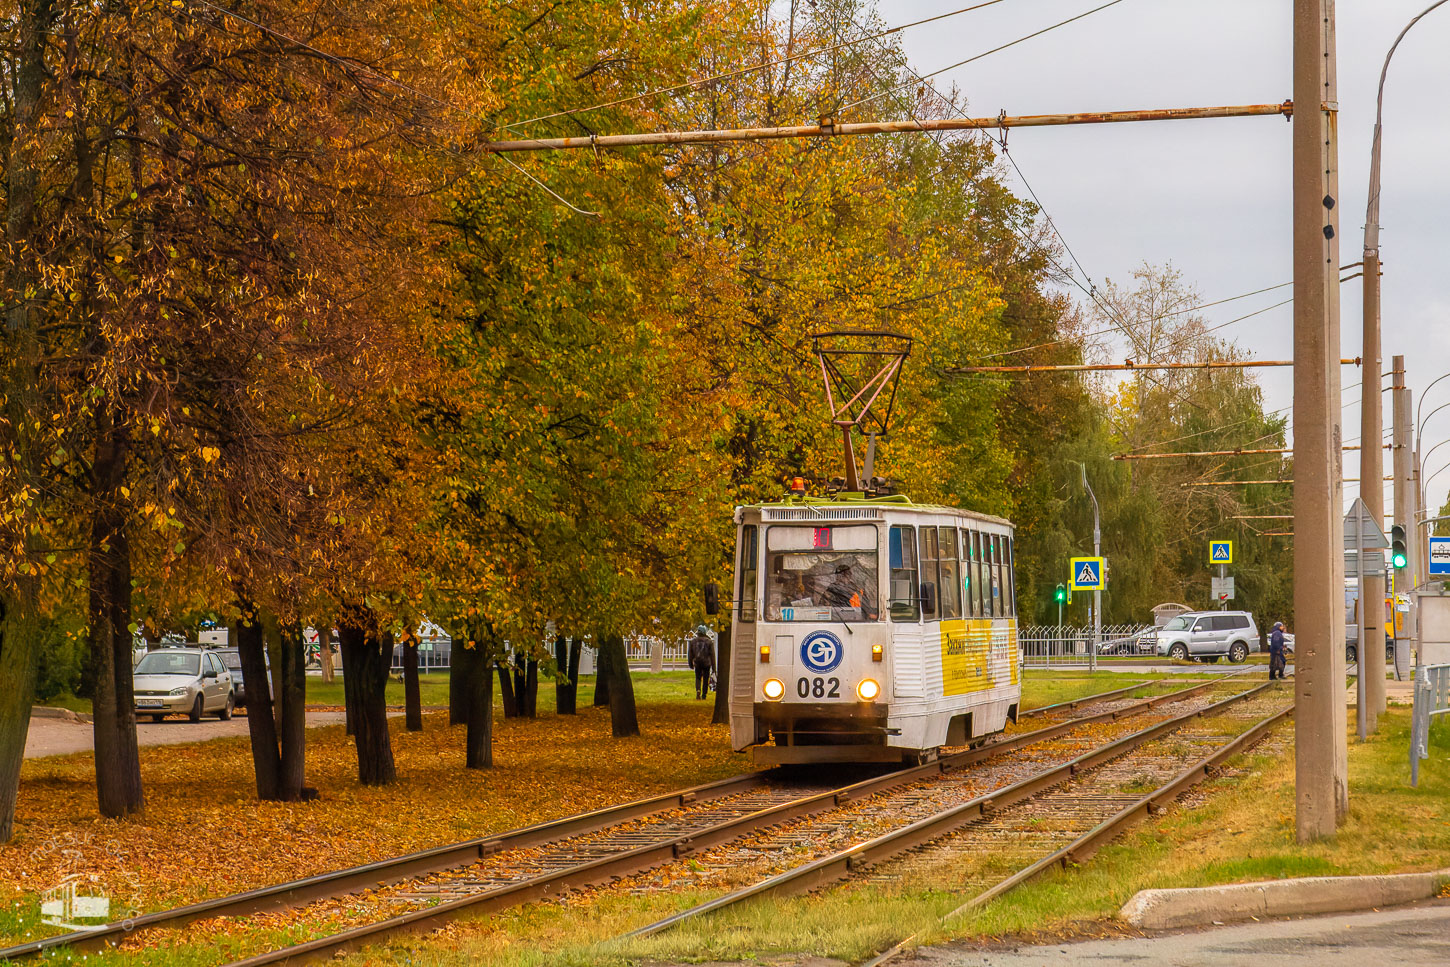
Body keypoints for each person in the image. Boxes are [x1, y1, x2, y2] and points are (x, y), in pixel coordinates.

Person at [688, 625, 715, 700]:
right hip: (706, 663)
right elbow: (712, 655)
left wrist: (690, 663)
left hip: (697, 662)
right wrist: (714, 668)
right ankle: (704, 694)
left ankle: (698, 690)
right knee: (706, 679)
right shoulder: (709, 642)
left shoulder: (693, 641)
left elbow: (690, 654)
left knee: (698, 677)